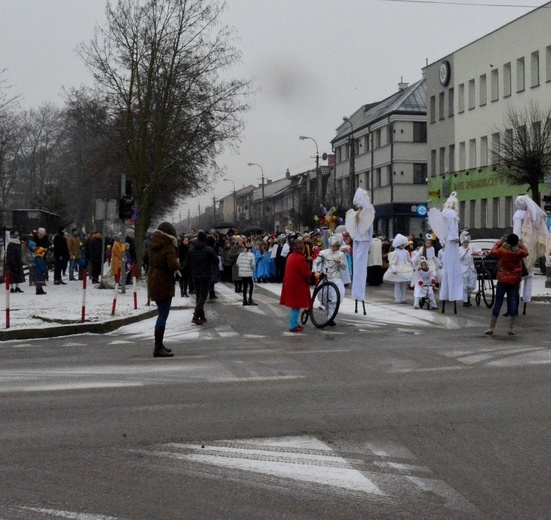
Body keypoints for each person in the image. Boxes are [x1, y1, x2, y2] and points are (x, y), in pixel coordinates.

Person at [144, 222, 180, 357]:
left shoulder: (152, 244)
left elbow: (145, 259)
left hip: (153, 279)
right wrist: (177, 263)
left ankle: (159, 345)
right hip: (164, 282)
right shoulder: (168, 246)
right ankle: (158, 347)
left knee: (161, 313)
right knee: (163, 315)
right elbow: (172, 265)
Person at [485, 233, 528, 336]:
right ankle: (511, 328)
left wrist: (499, 242)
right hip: (515, 280)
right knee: (512, 302)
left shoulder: (502, 251)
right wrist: (520, 244)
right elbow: (526, 252)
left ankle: (491, 327)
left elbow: (493, 251)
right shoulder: (519, 252)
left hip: (503, 279)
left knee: (498, 302)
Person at [345, 188, 375, 303]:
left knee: (358, 265)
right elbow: (370, 229)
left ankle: (357, 293)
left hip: (357, 239)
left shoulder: (356, 213)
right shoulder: (367, 213)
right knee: (360, 267)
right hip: (363, 239)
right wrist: (370, 241)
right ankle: (359, 293)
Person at [185, 231, 219, 325]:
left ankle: (202, 315)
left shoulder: (191, 250)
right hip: (205, 275)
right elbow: (216, 261)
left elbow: (187, 263)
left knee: (199, 296)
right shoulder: (209, 250)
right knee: (203, 296)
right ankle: (196, 316)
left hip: (195, 275)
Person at [312, 235, 347, 326]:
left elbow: (344, 267)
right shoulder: (323, 252)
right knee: (324, 299)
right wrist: (316, 271)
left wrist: (340, 262)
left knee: (334, 300)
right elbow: (316, 262)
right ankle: (328, 314)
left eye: (337, 246)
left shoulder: (341, 254)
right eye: (334, 246)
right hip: (325, 278)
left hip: (336, 279)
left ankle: (331, 317)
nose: (336, 248)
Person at [279, 239, 312, 332]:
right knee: (296, 305)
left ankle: (294, 323)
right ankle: (293, 324)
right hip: (297, 284)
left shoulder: (291, 256)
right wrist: (313, 274)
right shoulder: (300, 258)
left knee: (295, 305)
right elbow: (305, 272)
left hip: (290, 283)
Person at [438, 192, 464, 304]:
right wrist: (455, 237)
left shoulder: (444, 213)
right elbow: (453, 228)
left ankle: (446, 293)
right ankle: (453, 292)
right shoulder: (451, 214)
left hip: (447, 241)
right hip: (451, 241)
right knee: (453, 265)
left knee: (448, 266)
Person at [383, 233, 413, 304]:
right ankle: (398, 298)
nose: (402, 246)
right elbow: (392, 262)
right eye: (401, 244)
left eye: (403, 244)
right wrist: (393, 269)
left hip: (405, 268)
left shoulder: (406, 252)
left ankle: (403, 298)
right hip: (397, 268)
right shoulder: (394, 252)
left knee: (404, 284)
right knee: (398, 284)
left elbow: (409, 260)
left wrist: (413, 265)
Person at [458, 231, 477, 307]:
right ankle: (465, 300)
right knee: (465, 286)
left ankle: (468, 296)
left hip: (471, 269)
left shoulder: (471, 249)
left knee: (472, 286)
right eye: (465, 242)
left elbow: (473, 255)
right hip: (464, 270)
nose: (466, 244)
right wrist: (465, 252)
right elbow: (460, 258)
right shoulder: (459, 249)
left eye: (467, 242)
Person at [237, 241, 257, 306]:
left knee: (245, 286)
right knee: (251, 285)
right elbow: (253, 264)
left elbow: (237, 263)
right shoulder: (251, 254)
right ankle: (250, 299)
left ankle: (244, 300)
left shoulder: (241, 254)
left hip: (242, 272)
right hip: (248, 272)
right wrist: (252, 269)